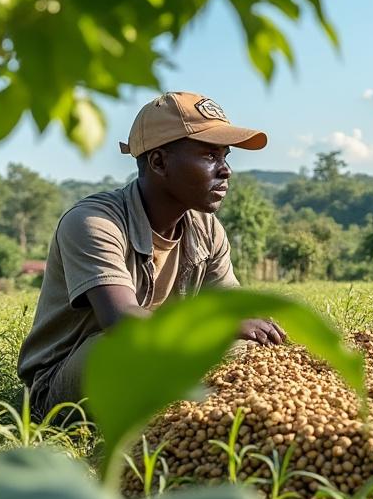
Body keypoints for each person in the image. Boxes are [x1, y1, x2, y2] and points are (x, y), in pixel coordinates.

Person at [18, 91, 286, 419]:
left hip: (162, 356)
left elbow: (234, 311)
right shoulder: (93, 222)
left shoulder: (207, 228)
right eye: (209, 155)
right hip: (66, 383)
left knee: (253, 347)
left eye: (225, 156)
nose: (226, 170)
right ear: (159, 162)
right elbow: (122, 321)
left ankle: (205, 416)